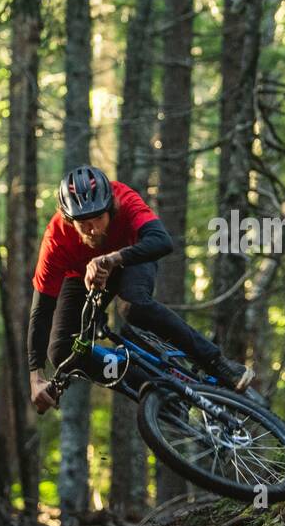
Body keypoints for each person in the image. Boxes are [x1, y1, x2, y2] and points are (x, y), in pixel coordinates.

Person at [28, 165, 253, 413]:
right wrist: (35, 378)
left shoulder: (123, 198)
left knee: (133, 307)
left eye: (98, 219)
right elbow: (42, 309)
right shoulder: (55, 239)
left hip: (131, 258)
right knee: (61, 351)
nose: (92, 229)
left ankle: (218, 363)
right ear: (70, 220)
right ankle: (154, 391)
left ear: (111, 207)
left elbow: (161, 241)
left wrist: (114, 259)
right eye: (84, 224)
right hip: (80, 276)